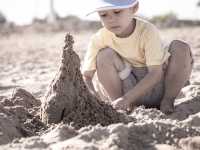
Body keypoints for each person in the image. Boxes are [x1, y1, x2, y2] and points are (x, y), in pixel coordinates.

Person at [81, 0, 193, 114]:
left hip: (160, 87)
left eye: (117, 12)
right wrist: (93, 97)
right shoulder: (99, 38)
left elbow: (155, 73)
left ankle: (168, 101)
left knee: (180, 47)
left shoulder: (147, 30)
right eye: (103, 15)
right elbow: (87, 76)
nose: (111, 19)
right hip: (127, 88)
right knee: (104, 55)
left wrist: (127, 99)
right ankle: (118, 107)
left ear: (134, 8)